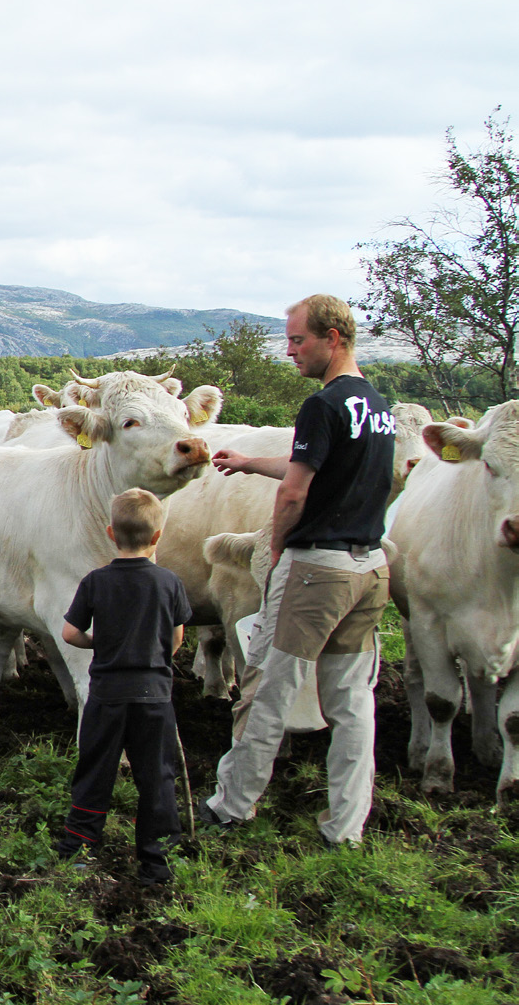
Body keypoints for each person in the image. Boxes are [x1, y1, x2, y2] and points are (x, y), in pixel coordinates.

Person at [200, 294, 394, 846]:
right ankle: (346, 826)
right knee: (352, 701)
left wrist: (280, 551)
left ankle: (232, 805)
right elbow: (315, 463)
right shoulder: (375, 406)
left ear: (333, 338)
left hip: (317, 571)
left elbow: (294, 493)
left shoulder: (323, 405)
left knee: (264, 689)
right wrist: (247, 462)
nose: (289, 351)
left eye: (297, 340)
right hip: (368, 567)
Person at [55, 488, 191, 884]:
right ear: (158, 536)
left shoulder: (96, 581)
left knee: (96, 769)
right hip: (154, 695)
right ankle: (157, 860)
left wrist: (101, 642)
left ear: (111, 533)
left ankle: (79, 849)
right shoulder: (169, 582)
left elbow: (69, 633)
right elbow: (177, 636)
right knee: (157, 776)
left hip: (107, 695)